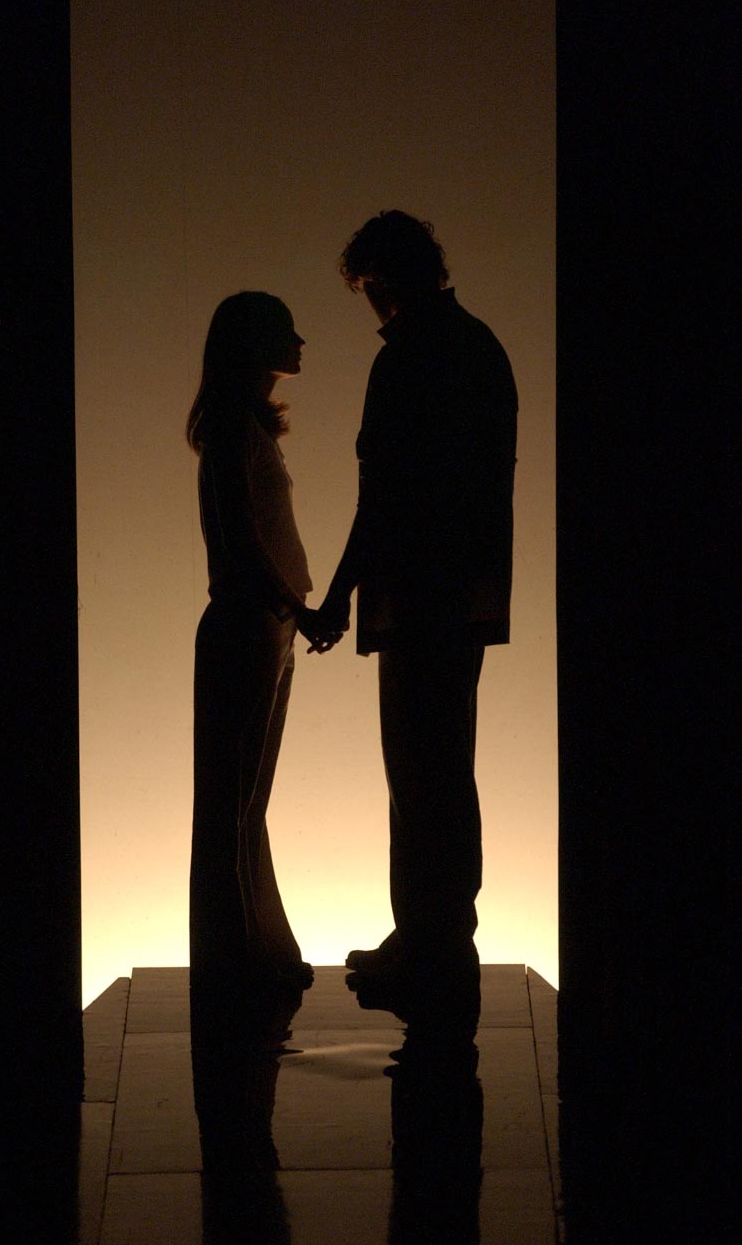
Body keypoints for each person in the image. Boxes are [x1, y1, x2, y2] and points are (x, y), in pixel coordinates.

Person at [315, 211, 518, 1020]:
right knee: (443, 769)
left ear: (388, 278)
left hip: (417, 597)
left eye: (370, 285)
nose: (371, 303)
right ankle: (436, 935)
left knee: (418, 771)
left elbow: (383, 499)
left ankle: (428, 943)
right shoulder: (480, 347)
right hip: (463, 598)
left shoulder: (408, 358)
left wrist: (339, 593)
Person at [187, 292, 332, 1000]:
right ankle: (241, 958)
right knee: (234, 805)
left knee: (246, 803)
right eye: (285, 331)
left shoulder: (244, 428)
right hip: (250, 624)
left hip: (266, 626)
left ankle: (256, 951)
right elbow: (244, 543)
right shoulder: (230, 431)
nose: (300, 342)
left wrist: (292, 615)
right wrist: (297, 610)